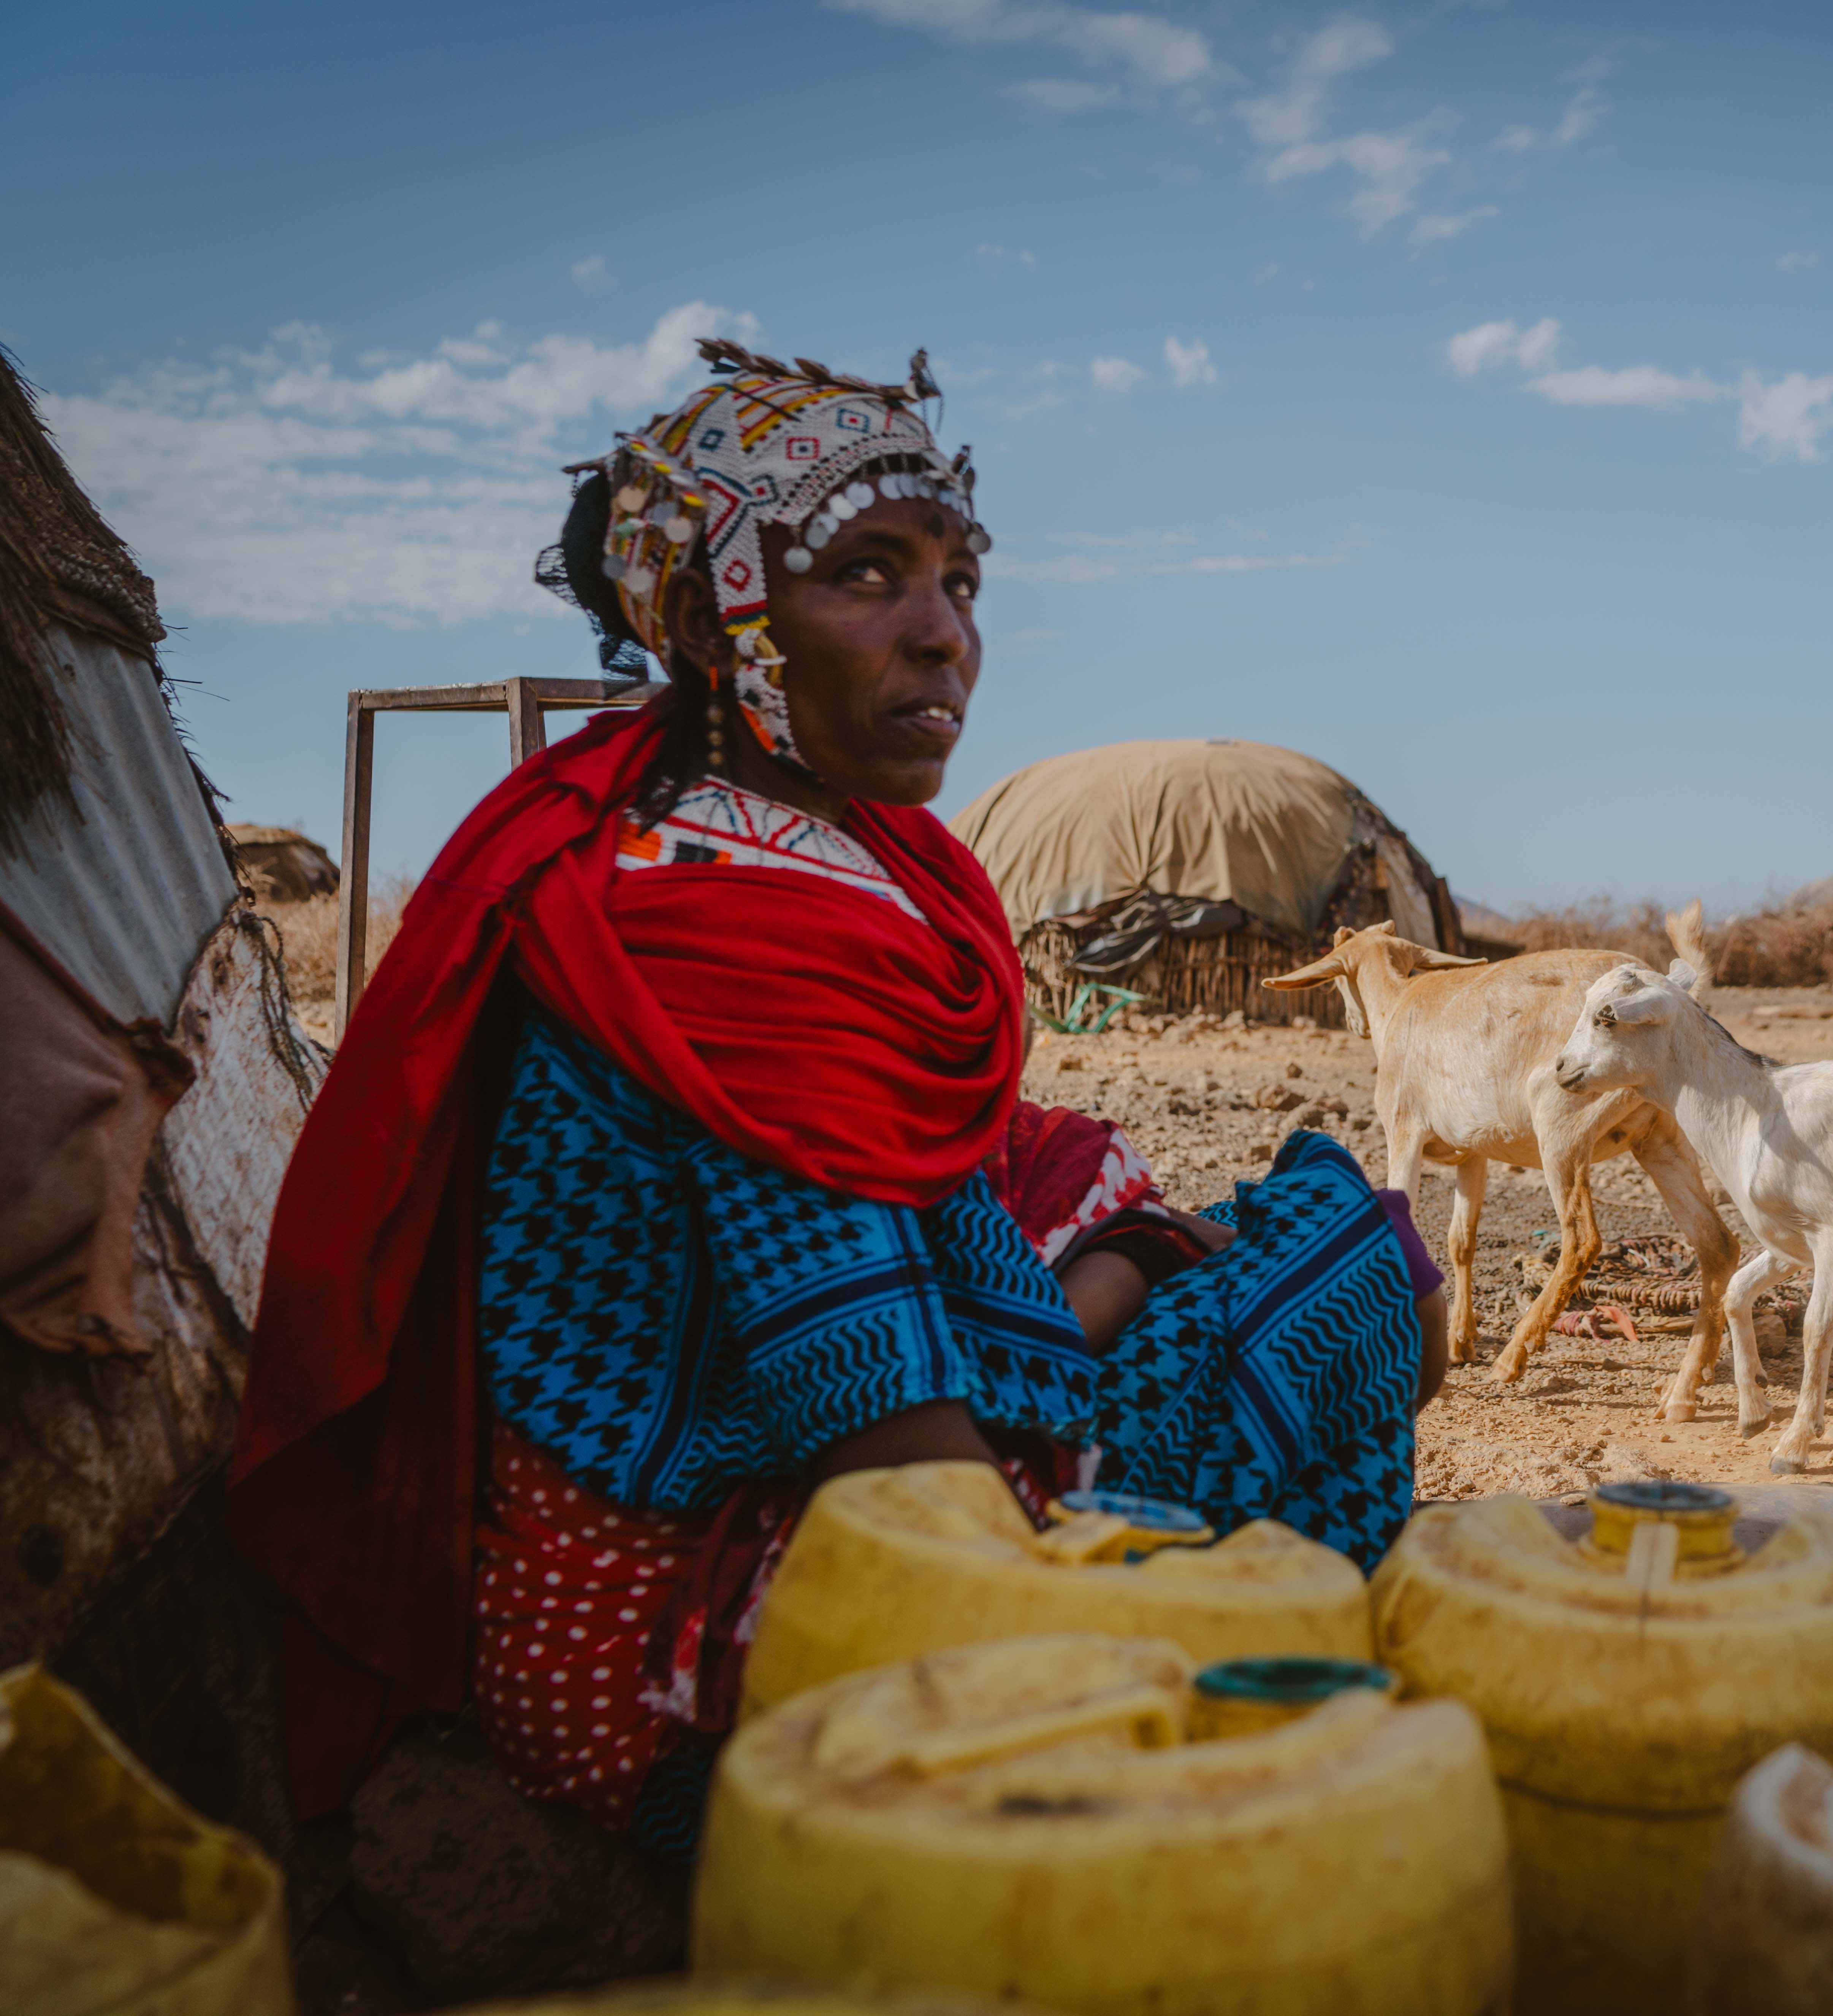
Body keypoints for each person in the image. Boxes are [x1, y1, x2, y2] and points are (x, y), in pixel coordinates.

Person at [230, 339, 1447, 1860]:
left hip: (808, 1489)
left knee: (1248, 1214)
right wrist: (1132, 1272)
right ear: (722, 615)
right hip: (709, 1629)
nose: (945, 638)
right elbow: (903, 1470)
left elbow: (926, 1214)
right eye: (866, 574)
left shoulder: (770, 849)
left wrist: (1119, 1256)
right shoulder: (718, 940)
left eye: (959, 581)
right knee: (1351, 1277)